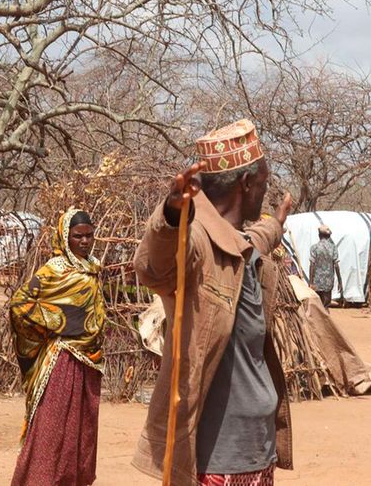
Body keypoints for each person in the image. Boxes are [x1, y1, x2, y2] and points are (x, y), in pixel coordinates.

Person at [132, 119, 294, 486]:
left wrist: (277, 223)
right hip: (218, 462)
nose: (264, 194)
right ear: (246, 184)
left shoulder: (239, 245)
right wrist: (172, 214)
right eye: (264, 184)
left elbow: (255, 237)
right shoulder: (198, 243)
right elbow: (155, 267)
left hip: (256, 452)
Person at [8, 208, 107, 486]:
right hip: (61, 361)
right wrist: (57, 323)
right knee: (52, 431)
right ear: (65, 238)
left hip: (90, 361)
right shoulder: (54, 270)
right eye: (78, 236)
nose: (85, 242)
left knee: (80, 433)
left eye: (89, 235)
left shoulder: (94, 269)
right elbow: (20, 306)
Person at [308, 225, 340, 309]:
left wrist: (311, 282)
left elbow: (312, 265)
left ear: (319, 235)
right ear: (329, 236)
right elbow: (336, 265)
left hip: (316, 281)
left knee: (317, 306)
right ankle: (325, 318)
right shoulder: (333, 248)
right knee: (326, 305)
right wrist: (340, 281)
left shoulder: (314, 248)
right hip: (328, 282)